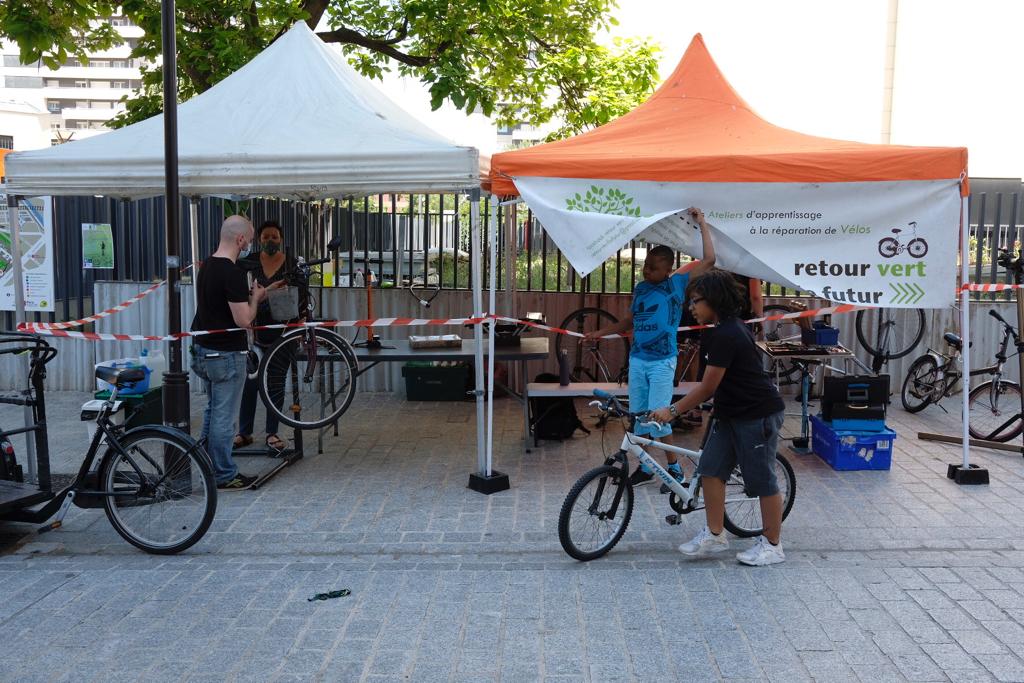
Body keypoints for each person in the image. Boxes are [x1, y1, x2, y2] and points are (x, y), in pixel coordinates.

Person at [650, 269, 787, 566]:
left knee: (761, 480)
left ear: (714, 300)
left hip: (757, 414)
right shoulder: (717, 330)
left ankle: (772, 545)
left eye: (696, 301)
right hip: (730, 413)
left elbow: (707, 387)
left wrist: (671, 411)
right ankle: (715, 535)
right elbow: (720, 383)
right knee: (711, 470)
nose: (691, 307)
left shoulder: (728, 333)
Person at [586, 206, 716, 486]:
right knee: (639, 417)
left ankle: (675, 468)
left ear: (668, 270)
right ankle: (645, 468)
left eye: (654, 267)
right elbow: (628, 322)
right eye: (645, 265)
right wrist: (600, 333)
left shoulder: (677, 285)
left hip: (662, 362)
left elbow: (710, 259)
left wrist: (702, 223)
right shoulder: (641, 289)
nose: (647, 270)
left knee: (659, 416)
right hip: (638, 360)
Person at [190, 215, 281, 491]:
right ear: (240, 239)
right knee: (224, 417)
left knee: (212, 410)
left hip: (203, 350)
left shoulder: (207, 265)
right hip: (225, 355)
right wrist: (256, 298)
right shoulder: (232, 273)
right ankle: (223, 473)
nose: (250, 245)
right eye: (250, 239)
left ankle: (207, 466)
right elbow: (244, 320)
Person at [235, 220, 304, 453]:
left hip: (284, 333)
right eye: (266, 237)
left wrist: (300, 325)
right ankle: (244, 432)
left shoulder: (292, 265)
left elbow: (302, 296)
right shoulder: (249, 262)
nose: (270, 241)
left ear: (281, 239)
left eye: (274, 237)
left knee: (275, 381)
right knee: (250, 382)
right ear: (259, 240)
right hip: (254, 332)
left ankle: (272, 433)